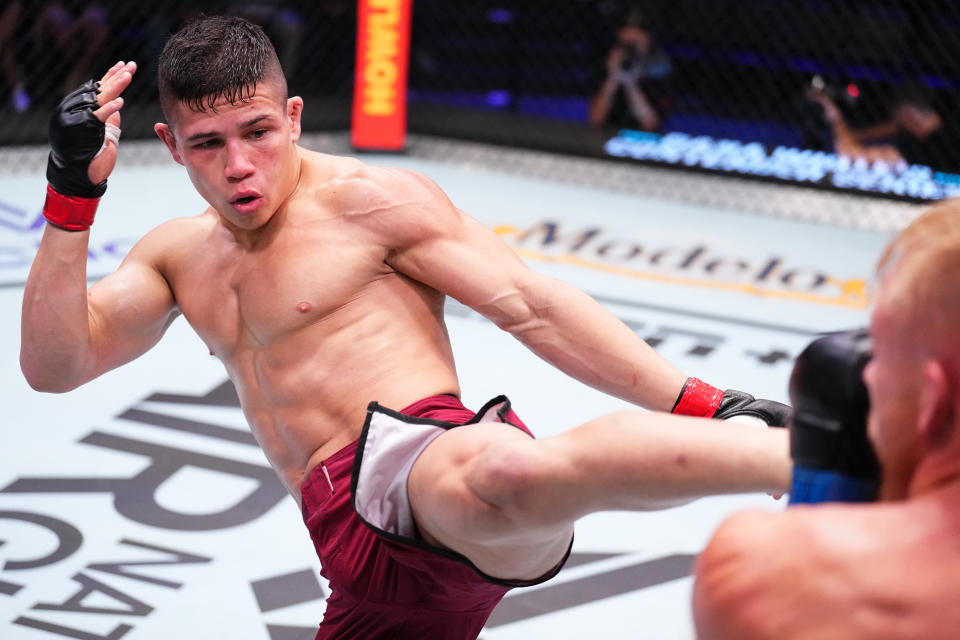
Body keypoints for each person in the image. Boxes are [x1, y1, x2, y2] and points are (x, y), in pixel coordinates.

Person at [21, 16, 792, 639]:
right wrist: (70, 195)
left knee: (508, 474)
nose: (239, 166)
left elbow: (531, 303)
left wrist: (703, 401)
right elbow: (56, 366)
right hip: (367, 573)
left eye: (257, 132)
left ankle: (804, 457)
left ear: (293, 117)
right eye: (209, 145)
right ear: (169, 146)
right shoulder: (176, 255)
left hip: (418, 467)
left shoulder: (370, 203)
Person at [692, 199, 960, 639]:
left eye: (881, 354)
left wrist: (836, 475)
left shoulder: (763, 564)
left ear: (932, 398)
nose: (866, 375)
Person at [808, 82, 958, 173]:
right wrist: (893, 127)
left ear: (908, 116)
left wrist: (835, 116)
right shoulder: (951, 128)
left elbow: (849, 154)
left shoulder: (923, 148)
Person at [589, 8, 671, 132]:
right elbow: (596, 119)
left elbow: (650, 125)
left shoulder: (660, 72)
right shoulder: (607, 68)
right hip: (607, 135)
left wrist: (630, 83)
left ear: (648, 45)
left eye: (635, 43)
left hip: (645, 141)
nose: (630, 49)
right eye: (625, 43)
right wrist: (613, 78)